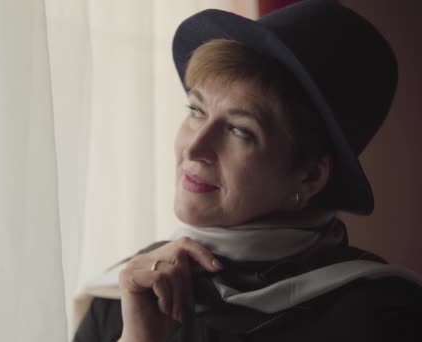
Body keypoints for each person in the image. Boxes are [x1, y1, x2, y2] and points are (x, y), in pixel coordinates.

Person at [73, 1, 422, 341]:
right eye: (196, 110)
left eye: (239, 130)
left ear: (310, 177)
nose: (194, 149)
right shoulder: (132, 290)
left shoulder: (382, 318)